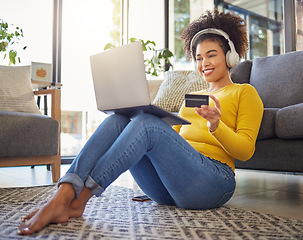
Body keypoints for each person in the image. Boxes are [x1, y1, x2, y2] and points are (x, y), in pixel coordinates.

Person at [17, 9, 263, 235]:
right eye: (199, 58)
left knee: (146, 123)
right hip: (173, 188)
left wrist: (215, 126)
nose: (204, 63)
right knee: (121, 118)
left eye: (212, 55)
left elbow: (246, 151)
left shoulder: (244, 93)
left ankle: (78, 202)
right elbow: (175, 142)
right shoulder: (194, 99)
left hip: (214, 183)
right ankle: (65, 193)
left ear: (230, 56)